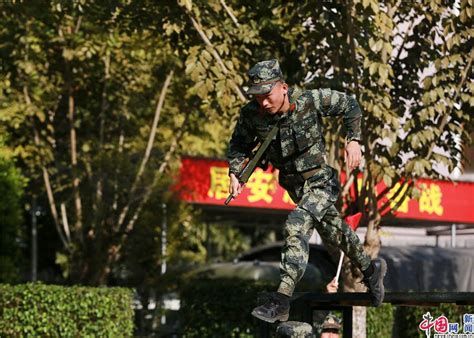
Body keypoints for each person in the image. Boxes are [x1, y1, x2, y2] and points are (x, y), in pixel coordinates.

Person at [226, 59, 386, 323]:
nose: (263, 103)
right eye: (257, 97)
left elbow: (350, 105)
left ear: (284, 88)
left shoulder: (310, 100)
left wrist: (353, 140)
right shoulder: (251, 115)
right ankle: (371, 271)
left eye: (267, 95)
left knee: (296, 224)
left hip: (321, 182)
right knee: (337, 234)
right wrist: (235, 171)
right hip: (296, 188)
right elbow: (238, 145)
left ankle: (282, 300)